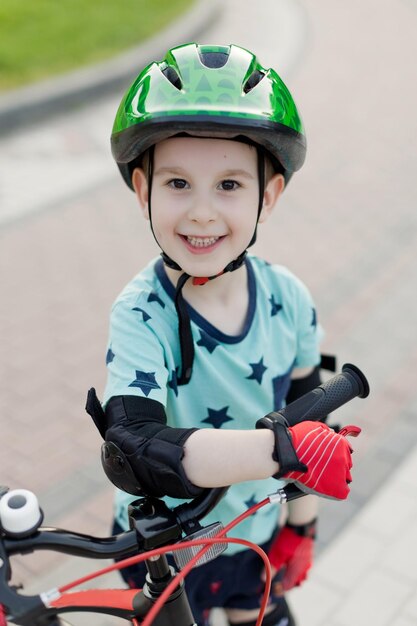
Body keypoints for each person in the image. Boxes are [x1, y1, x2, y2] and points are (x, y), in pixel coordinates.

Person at [87, 43, 360, 626]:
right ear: (143, 190)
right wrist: (280, 451)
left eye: (230, 185)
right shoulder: (142, 314)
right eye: (179, 183)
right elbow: (134, 445)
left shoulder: (289, 300)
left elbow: (309, 415)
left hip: (253, 534)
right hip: (163, 550)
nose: (203, 213)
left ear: (271, 194)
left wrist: (301, 527)